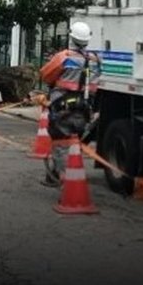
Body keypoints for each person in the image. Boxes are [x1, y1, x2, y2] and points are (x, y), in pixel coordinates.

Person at [40, 21, 101, 188]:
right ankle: (53, 175)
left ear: (71, 37)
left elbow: (45, 75)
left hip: (62, 107)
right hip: (84, 109)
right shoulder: (95, 60)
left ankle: (67, 182)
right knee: (73, 144)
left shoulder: (64, 57)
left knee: (60, 143)